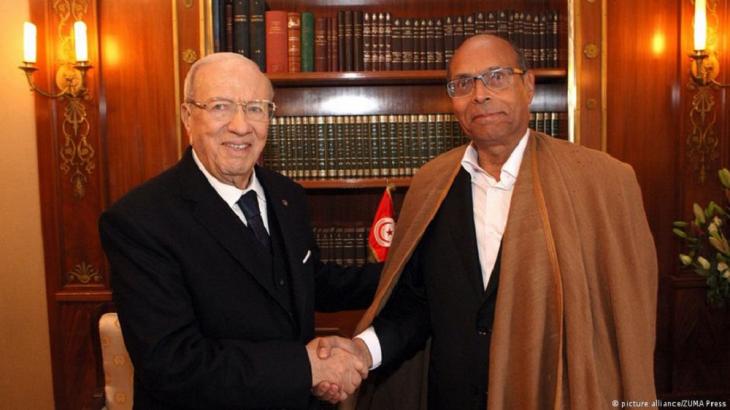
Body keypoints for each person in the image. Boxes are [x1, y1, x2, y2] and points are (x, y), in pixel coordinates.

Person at [319, 34, 658, 409]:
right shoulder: (432, 184)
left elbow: (624, 319)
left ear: (528, 86)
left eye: (496, 76)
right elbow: (417, 302)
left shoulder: (600, 181)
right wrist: (362, 352)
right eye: (463, 83)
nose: (479, 94)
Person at [98, 52, 379, 409]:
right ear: (188, 116)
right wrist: (305, 367)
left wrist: (401, 270)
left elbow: (308, 282)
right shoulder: (140, 220)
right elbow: (173, 364)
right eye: (220, 106)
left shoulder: (286, 195)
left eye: (256, 108)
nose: (241, 126)